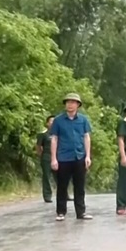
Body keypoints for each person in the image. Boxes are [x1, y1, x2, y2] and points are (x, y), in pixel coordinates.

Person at [49, 93, 93, 221]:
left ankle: (81, 212)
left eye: (73, 102)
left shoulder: (83, 120)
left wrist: (88, 156)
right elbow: (54, 139)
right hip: (63, 157)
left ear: (78, 105)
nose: (70, 104)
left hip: (79, 156)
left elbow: (86, 137)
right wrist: (53, 158)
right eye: (68, 102)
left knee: (79, 186)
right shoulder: (58, 120)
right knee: (62, 186)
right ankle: (61, 212)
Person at [35, 116, 55, 203]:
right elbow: (38, 146)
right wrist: (41, 155)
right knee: (46, 177)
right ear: (47, 123)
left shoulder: (59, 134)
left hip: (58, 157)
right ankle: (47, 196)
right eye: (51, 121)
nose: (53, 123)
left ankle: (65, 195)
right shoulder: (43, 134)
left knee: (62, 177)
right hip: (46, 157)